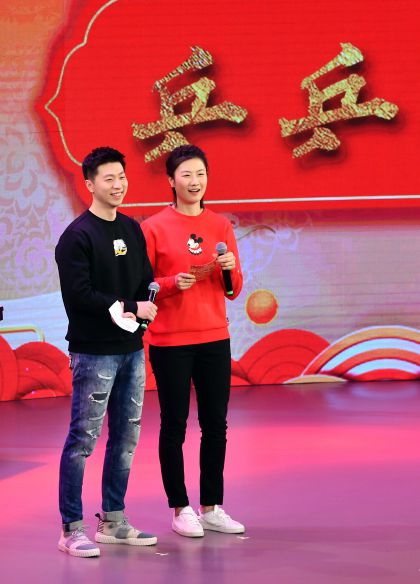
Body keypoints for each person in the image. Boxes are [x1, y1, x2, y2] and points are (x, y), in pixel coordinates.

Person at [55, 146, 158, 557]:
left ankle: (113, 520)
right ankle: (71, 529)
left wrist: (142, 311)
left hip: (131, 349)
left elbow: (145, 280)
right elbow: (79, 295)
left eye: (122, 177)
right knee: (83, 439)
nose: (118, 185)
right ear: (90, 184)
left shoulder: (132, 229)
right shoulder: (77, 236)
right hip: (93, 352)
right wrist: (132, 306)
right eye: (109, 178)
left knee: (126, 437)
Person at [141, 144, 245, 537]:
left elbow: (233, 290)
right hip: (170, 341)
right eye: (186, 174)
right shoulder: (153, 227)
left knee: (216, 424)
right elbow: (141, 287)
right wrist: (171, 283)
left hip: (214, 337)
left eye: (200, 173)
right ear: (171, 180)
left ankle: (212, 506)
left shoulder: (221, 225)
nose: (194, 181)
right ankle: (180, 508)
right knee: (174, 424)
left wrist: (229, 269)